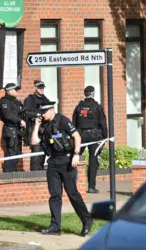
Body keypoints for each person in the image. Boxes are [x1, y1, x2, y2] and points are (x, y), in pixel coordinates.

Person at [31, 99, 92, 236]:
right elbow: (34, 142)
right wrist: (36, 126)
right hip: (53, 162)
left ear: (52, 110)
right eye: (40, 112)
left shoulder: (63, 121)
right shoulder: (43, 125)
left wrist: (76, 154)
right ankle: (55, 227)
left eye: (44, 112)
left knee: (72, 193)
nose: (42, 115)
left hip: (67, 160)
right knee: (54, 195)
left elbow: (77, 137)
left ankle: (86, 219)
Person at [72, 85, 108, 194]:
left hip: (81, 136)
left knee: (75, 158)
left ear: (85, 94)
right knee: (93, 160)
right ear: (93, 93)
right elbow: (103, 124)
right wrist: (104, 138)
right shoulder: (97, 107)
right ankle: (91, 187)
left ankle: (71, 184)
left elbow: (73, 123)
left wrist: (74, 137)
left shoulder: (79, 107)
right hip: (94, 136)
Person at [0, 83, 26, 173]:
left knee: (17, 153)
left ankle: (13, 170)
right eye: (15, 90)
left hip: (17, 130)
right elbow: (8, 115)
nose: (17, 91)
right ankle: (8, 172)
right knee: (12, 152)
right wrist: (20, 120)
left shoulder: (15, 101)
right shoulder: (4, 102)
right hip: (10, 130)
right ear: (9, 91)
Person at [24, 80, 49, 171]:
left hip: (44, 129)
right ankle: (34, 173)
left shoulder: (45, 99)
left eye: (43, 88)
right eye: (40, 88)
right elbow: (26, 112)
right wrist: (37, 114)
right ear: (35, 88)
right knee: (36, 153)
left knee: (43, 153)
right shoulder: (30, 99)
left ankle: (41, 174)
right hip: (34, 129)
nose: (42, 89)